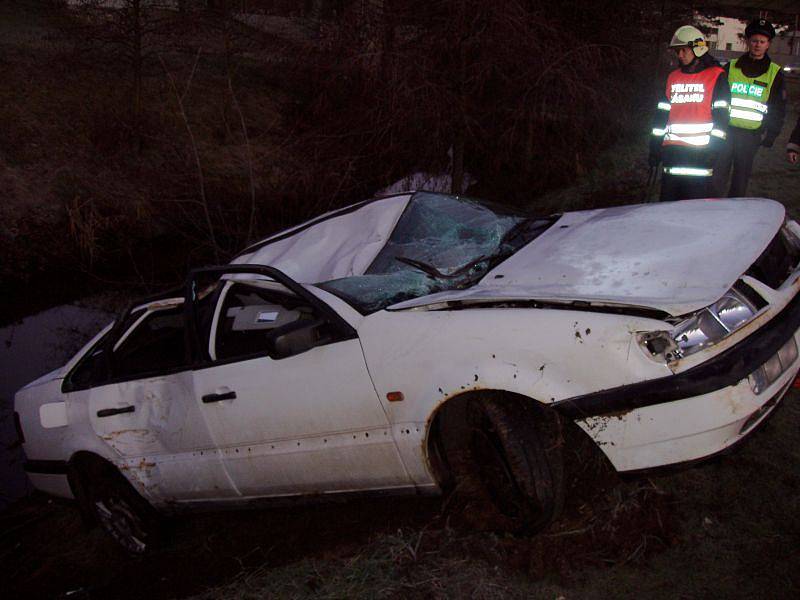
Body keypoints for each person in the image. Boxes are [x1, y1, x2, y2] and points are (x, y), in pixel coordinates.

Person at [650, 25, 730, 202]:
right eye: (677, 51)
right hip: (672, 154)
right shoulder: (672, 77)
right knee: (667, 208)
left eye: (683, 50)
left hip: (701, 156)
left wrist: (714, 149)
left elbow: (722, 119)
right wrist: (655, 146)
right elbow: (661, 115)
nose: (679, 55)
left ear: (698, 48)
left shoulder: (716, 76)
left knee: (695, 210)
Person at [715, 18, 787, 196]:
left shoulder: (775, 73)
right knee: (716, 177)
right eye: (754, 41)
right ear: (747, 42)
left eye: (762, 42)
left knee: (740, 181)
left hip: (751, 135)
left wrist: (771, 133)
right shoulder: (730, 67)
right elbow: (716, 97)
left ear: (768, 44)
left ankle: (734, 215)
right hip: (726, 131)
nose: (757, 45)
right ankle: (711, 212)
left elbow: (778, 107)